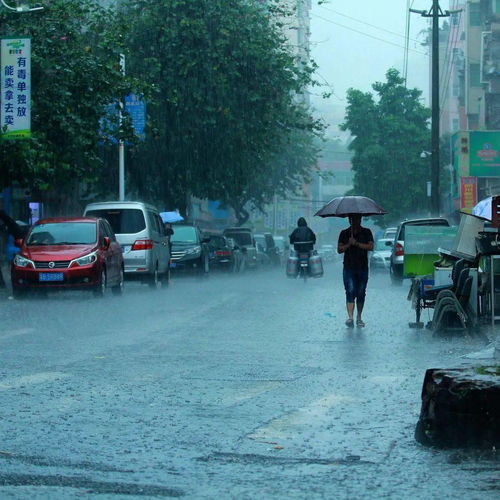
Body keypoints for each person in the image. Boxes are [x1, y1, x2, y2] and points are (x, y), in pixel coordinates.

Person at [337, 214, 374, 328]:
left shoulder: (367, 232)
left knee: (361, 292)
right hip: (349, 267)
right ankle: (350, 317)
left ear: (360, 219)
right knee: (350, 290)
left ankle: (359, 317)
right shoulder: (344, 233)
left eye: (357, 219)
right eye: (352, 219)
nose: (355, 221)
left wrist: (357, 243)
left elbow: (370, 246)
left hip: (362, 267)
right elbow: (339, 249)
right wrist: (349, 244)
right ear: (349, 220)